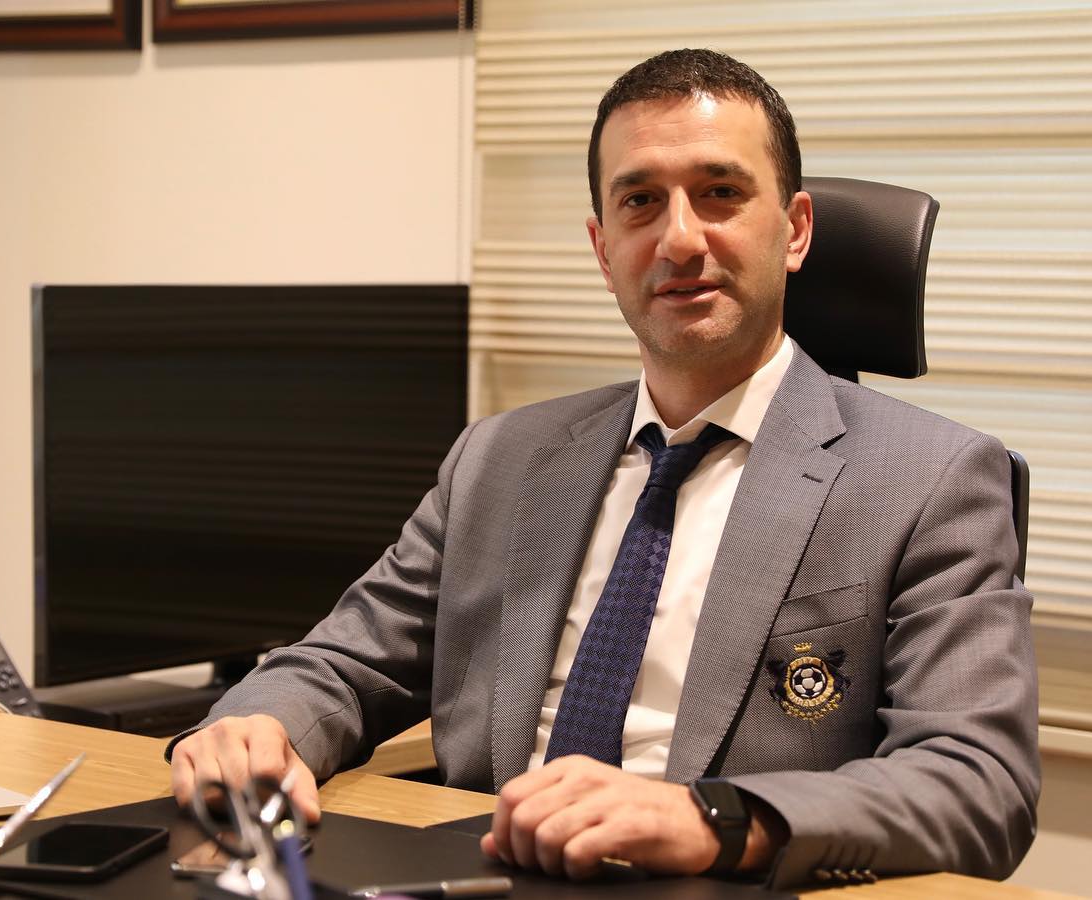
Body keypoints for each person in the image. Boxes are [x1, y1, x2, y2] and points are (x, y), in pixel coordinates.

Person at [168, 49, 1039, 889]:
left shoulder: (932, 478)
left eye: (721, 193)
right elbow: (346, 663)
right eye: (640, 202)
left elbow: (979, 782)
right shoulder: (500, 459)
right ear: (602, 246)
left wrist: (710, 821)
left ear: (796, 229)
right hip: (476, 874)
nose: (680, 239)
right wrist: (258, 724)